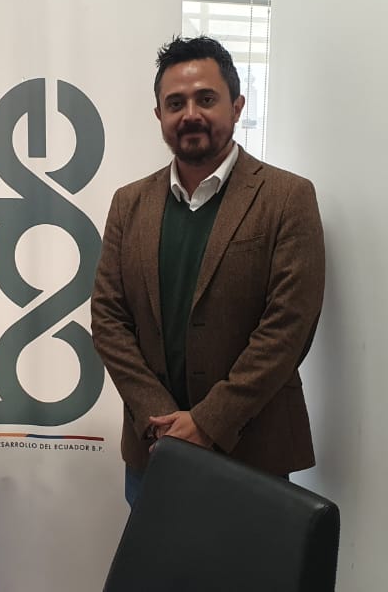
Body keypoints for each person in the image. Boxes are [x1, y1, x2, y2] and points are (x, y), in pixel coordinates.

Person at [91, 36, 326, 506]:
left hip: (254, 452)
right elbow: (108, 319)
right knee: (156, 558)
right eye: (175, 103)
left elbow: (288, 328)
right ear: (159, 115)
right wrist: (162, 420)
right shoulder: (128, 203)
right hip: (153, 451)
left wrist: (207, 422)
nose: (190, 114)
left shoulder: (288, 197)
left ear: (237, 107)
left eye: (206, 99)